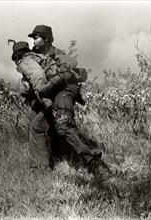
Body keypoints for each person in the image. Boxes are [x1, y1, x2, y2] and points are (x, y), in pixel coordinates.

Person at [11, 35, 112, 183]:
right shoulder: (38, 56)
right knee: (37, 126)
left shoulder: (26, 61)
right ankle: (41, 169)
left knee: (64, 125)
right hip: (61, 89)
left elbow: (39, 78)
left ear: (17, 56)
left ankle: (97, 166)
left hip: (64, 90)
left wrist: (45, 98)